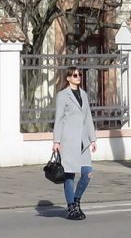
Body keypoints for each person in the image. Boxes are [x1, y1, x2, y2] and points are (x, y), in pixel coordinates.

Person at [52, 65, 98, 221]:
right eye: (75, 75)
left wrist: (93, 139)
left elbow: (88, 118)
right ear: (68, 78)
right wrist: (56, 141)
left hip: (83, 142)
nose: (78, 77)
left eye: (79, 75)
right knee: (69, 175)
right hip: (68, 141)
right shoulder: (63, 96)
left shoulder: (84, 95)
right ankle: (71, 207)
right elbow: (58, 119)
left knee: (87, 174)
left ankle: (77, 200)